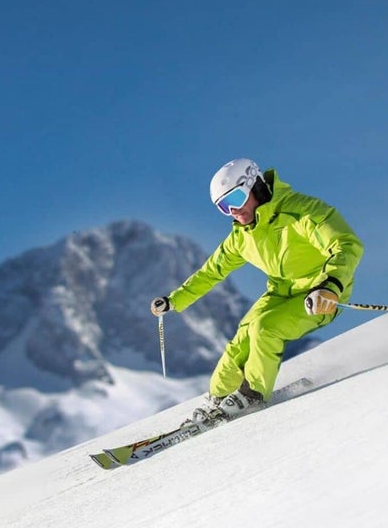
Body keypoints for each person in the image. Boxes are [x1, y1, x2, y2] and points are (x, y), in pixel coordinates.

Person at [150, 158, 363, 422]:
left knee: (265, 328)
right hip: (280, 293)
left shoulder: (301, 211)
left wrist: (331, 286)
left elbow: (346, 244)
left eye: (237, 198)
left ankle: (252, 395)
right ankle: (218, 399)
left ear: (256, 186)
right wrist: (173, 301)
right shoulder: (242, 237)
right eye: (224, 207)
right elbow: (210, 272)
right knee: (241, 341)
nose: (234, 211)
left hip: (320, 295)